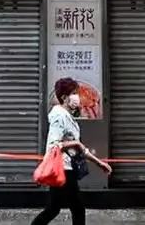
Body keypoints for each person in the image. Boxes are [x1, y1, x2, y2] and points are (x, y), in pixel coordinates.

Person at [31, 77, 111, 225]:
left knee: (54, 208)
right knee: (77, 208)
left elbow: (79, 149)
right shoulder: (59, 116)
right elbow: (54, 145)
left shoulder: (66, 116)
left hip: (67, 168)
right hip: (63, 168)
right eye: (74, 93)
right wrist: (76, 143)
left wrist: (100, 164)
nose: (77, 97)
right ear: (64, 97)